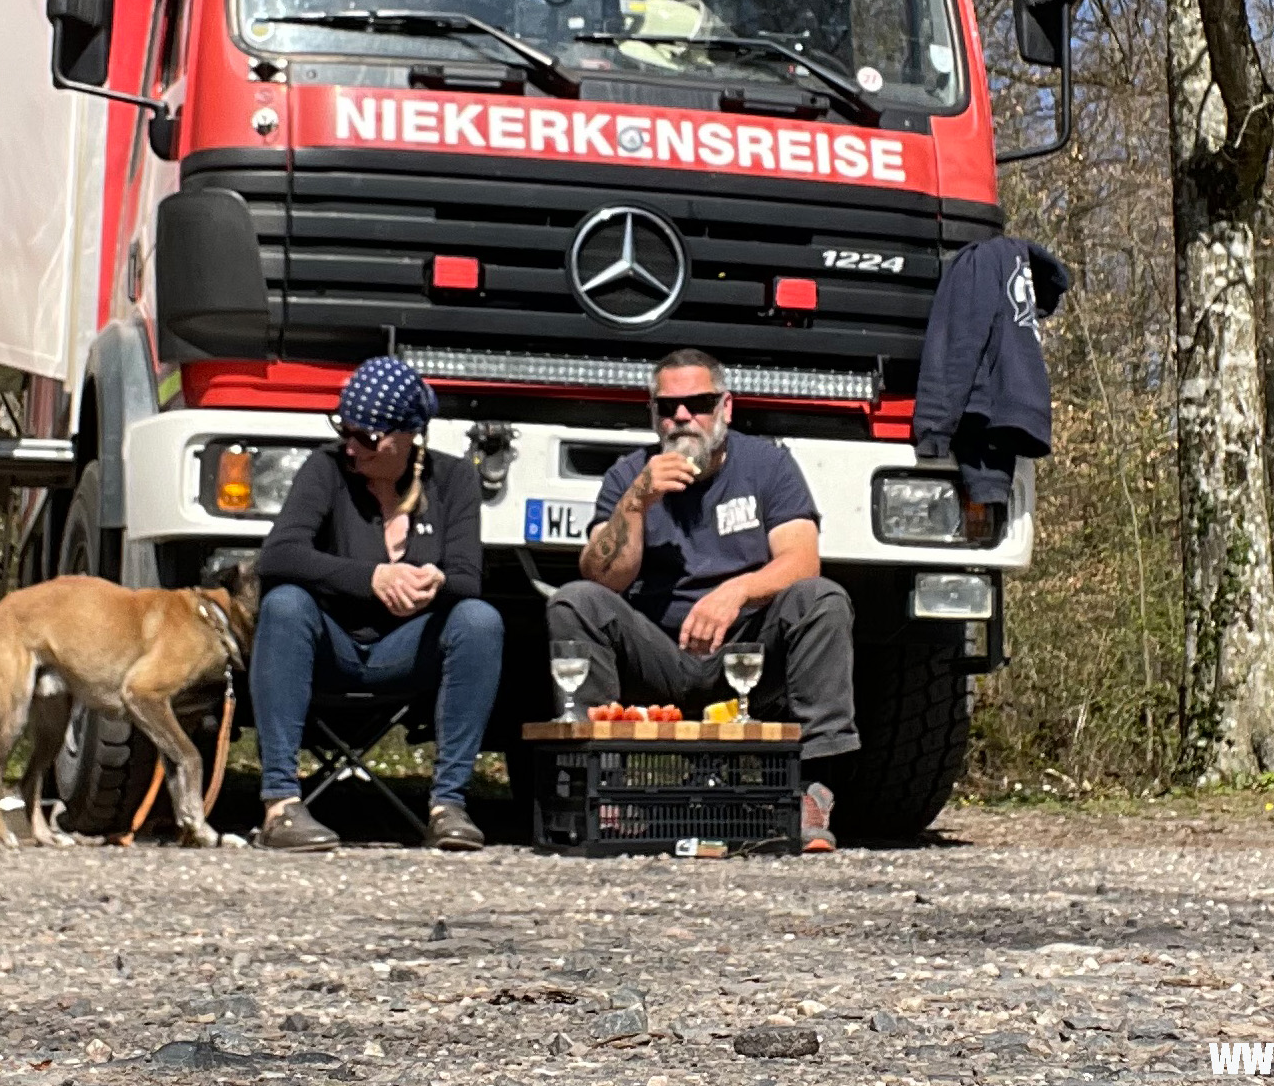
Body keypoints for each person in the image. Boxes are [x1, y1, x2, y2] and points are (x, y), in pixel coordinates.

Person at [545, 348, 857, 852]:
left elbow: (803, 561)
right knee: (575, 601)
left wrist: (735, 592)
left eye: (700, 403)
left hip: (745, 656)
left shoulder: (769, 465)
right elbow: (603, 577)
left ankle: (810, 794)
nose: (683, 417)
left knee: (821, 599)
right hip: (659, 657)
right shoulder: (629, 475)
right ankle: (605, 795)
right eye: (669, 407)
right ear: (654, 416)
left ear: (727, 407)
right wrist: (636, 504)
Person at [251, 357, 501, 852]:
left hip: (408, 651)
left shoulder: (453, 480)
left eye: (367, 437)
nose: (351, 446)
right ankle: (280, 803)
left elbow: (467, 579)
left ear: (408, 435)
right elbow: (278, 555)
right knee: (284, 604)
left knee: (479, 620)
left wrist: (433, 582)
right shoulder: (326, 470)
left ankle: (449, 804)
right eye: (345, 429)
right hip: (331, 646)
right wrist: (373, 578)